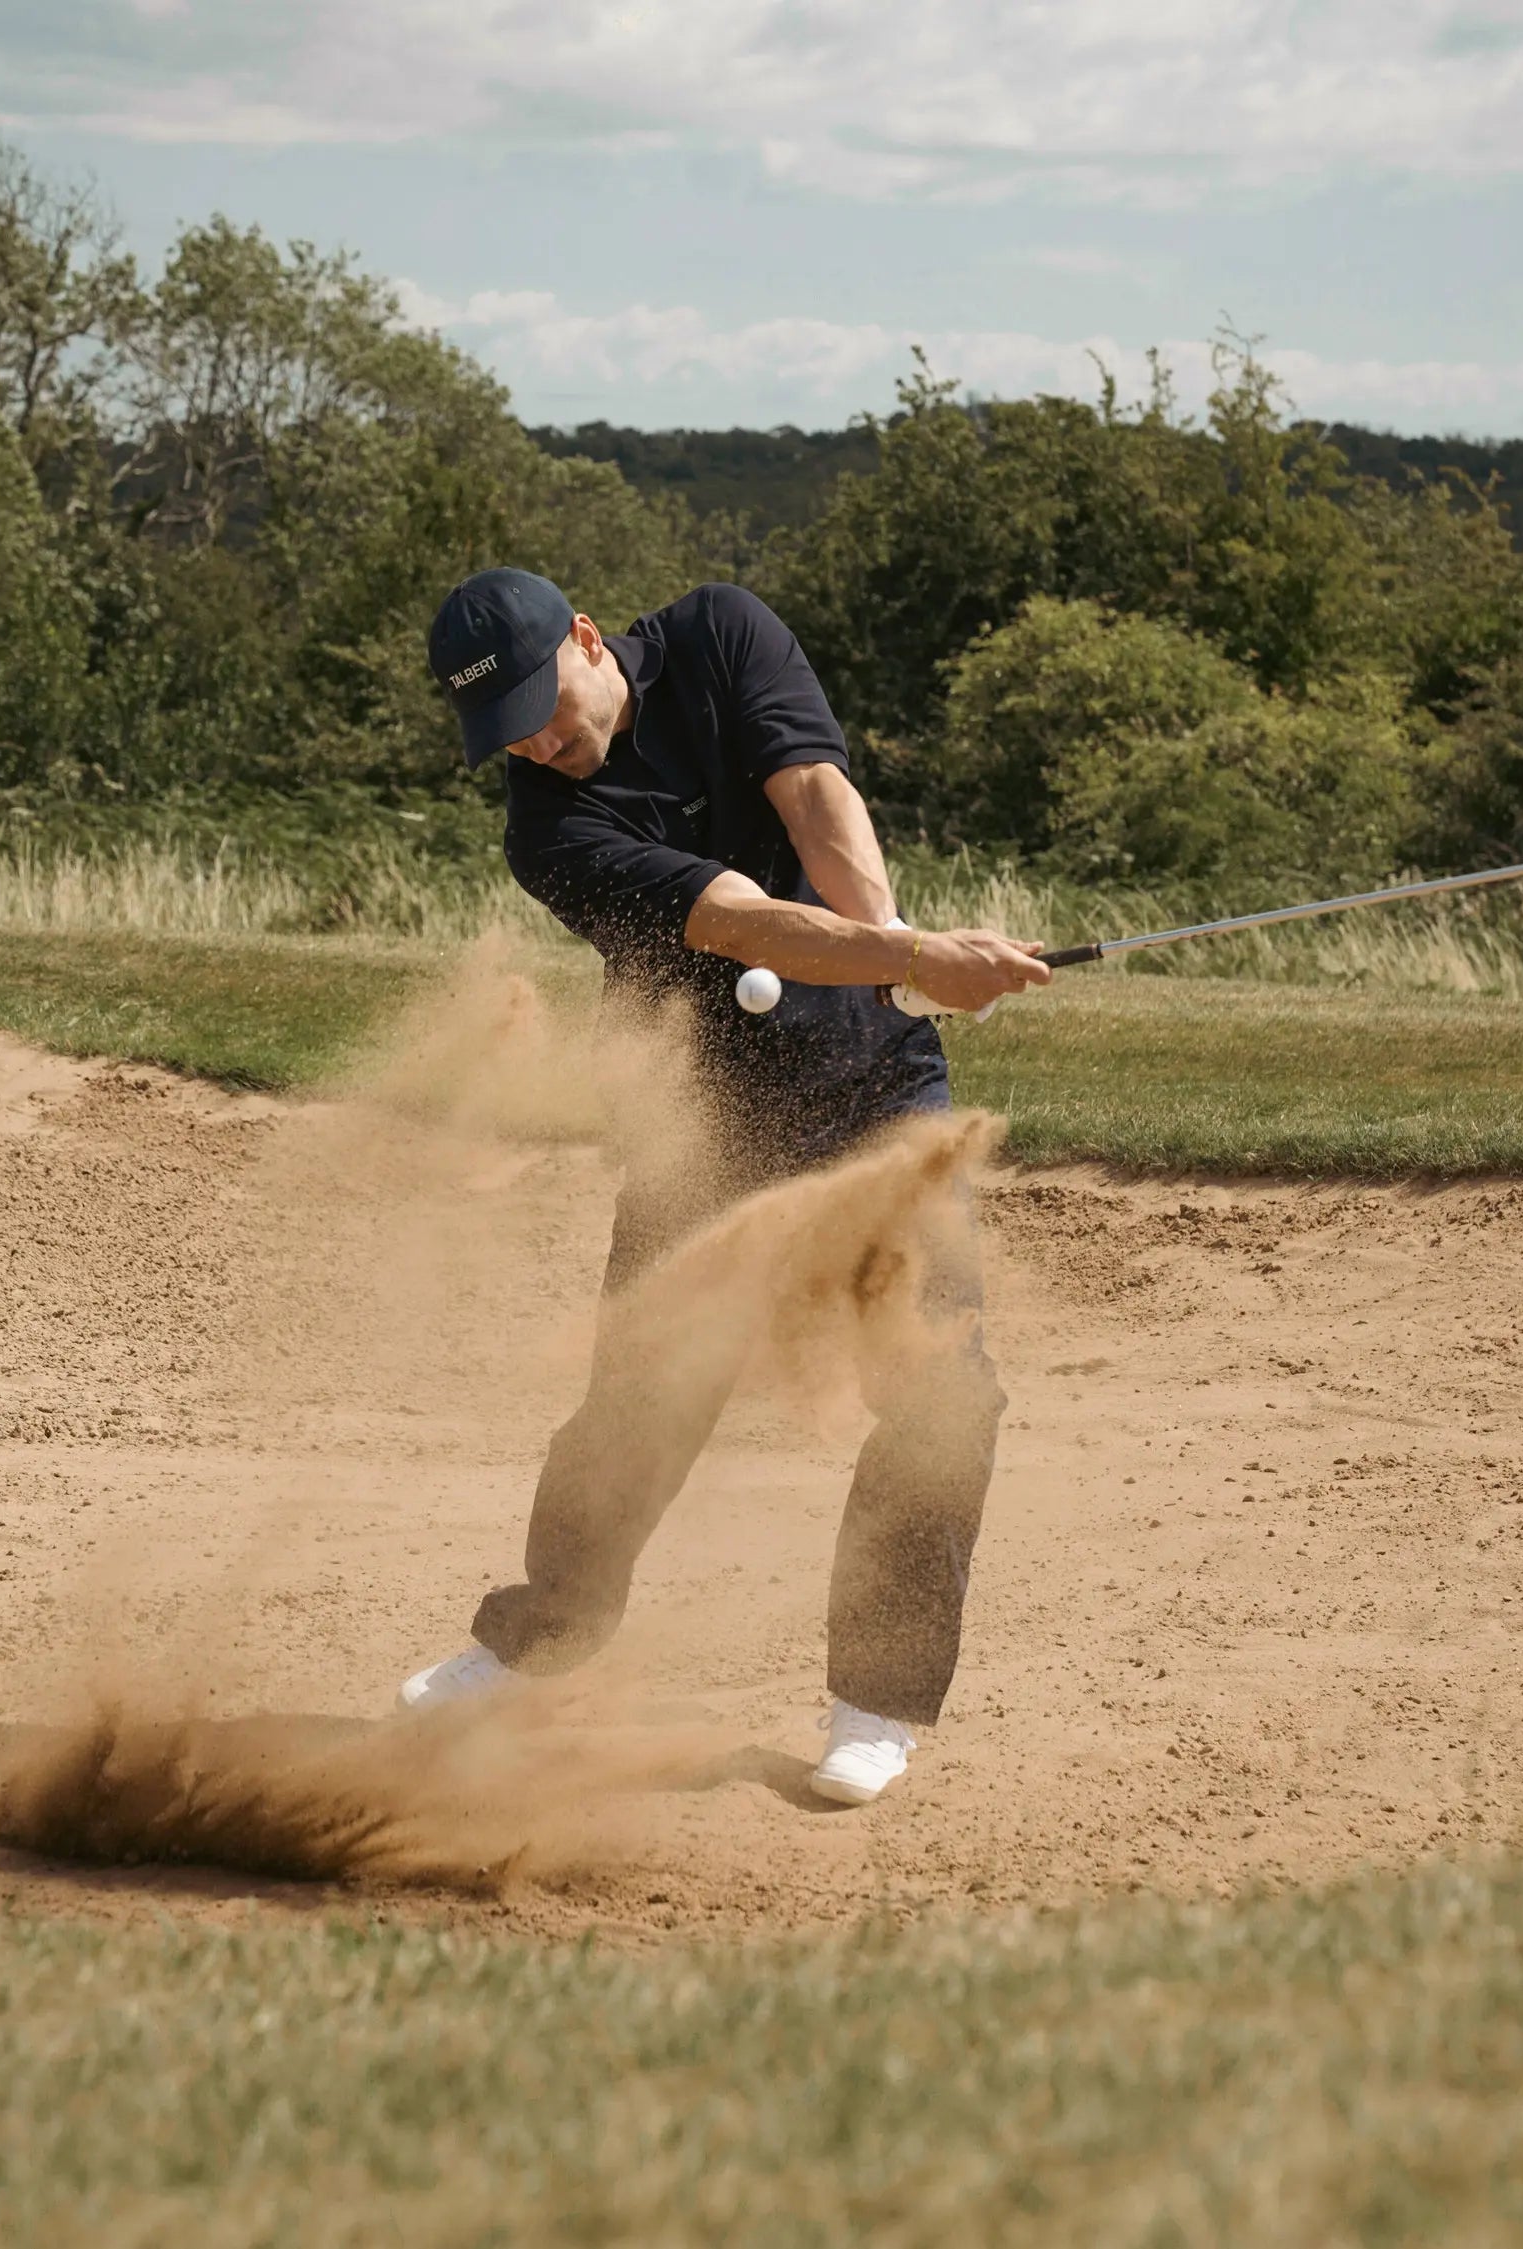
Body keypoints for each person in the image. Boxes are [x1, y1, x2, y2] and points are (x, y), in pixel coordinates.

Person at [400, 569, 1051, 1803]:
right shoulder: (548, 831)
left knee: (941, 1383)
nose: (539, 742)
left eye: (543, 704)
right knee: (638, 1398)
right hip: (706, 1124)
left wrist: (893, 965)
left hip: (874, 1097)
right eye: (508, 735)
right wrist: (912, 954)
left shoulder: (721, 633)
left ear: (586, 639)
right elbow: (741, 919)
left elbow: (813, 799)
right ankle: (541, 1639)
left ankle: (878, 1701)